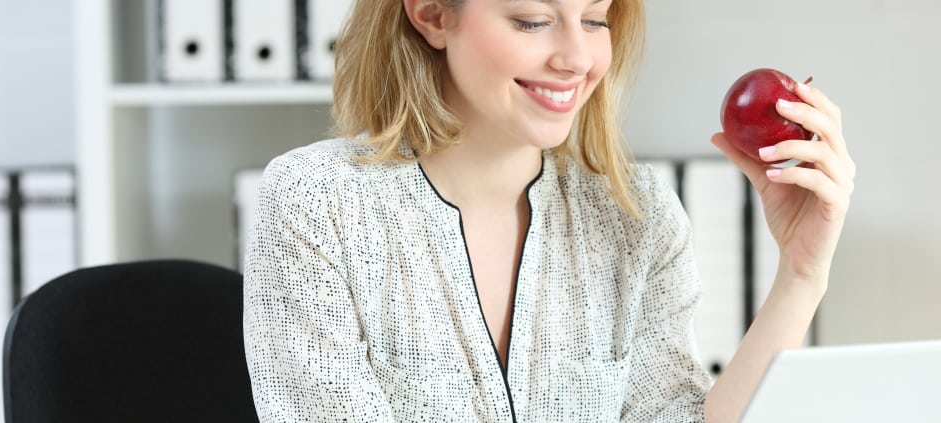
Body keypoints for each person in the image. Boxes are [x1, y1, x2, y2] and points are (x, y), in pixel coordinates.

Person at [242, 0, 855, 421]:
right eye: (533, 20)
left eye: (593, 18)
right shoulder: (316, 203)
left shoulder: (637, 218)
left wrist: (801, 275)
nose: (577, 58)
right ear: (432, 13)